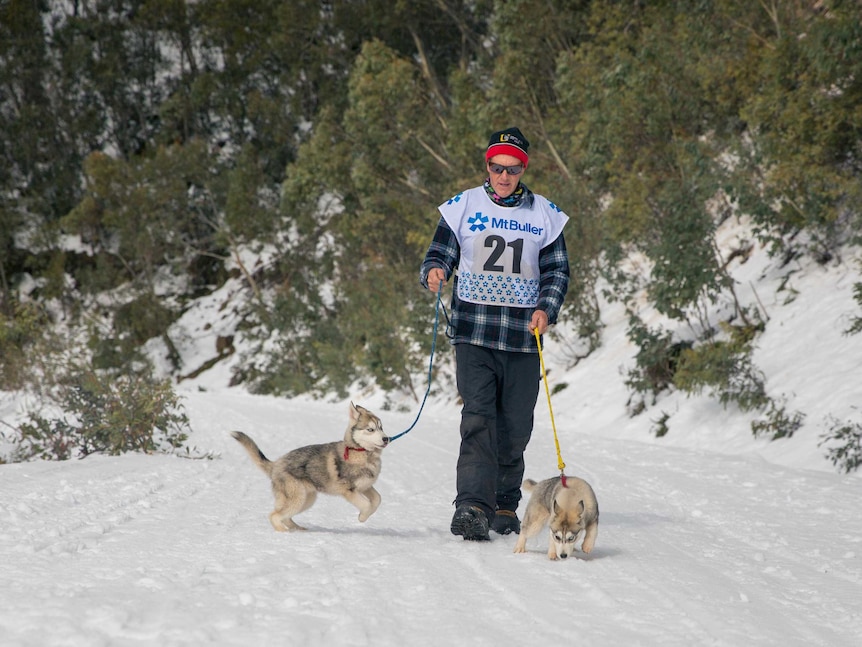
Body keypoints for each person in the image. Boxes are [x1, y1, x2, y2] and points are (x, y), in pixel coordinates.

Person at [419, 127, 570, 541]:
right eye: (496, 167)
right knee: (479, 419)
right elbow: (440, 253)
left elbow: (557, 271)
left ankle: (505, 502)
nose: (504, 176)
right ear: (487, 166)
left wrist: (546, 307)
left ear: (524, 168)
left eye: (513, 168)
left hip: (523, 337)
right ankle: (472, 506)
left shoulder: (545, 214)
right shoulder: (462, 206)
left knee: (515, 425)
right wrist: (434, 271)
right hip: (474, 332)